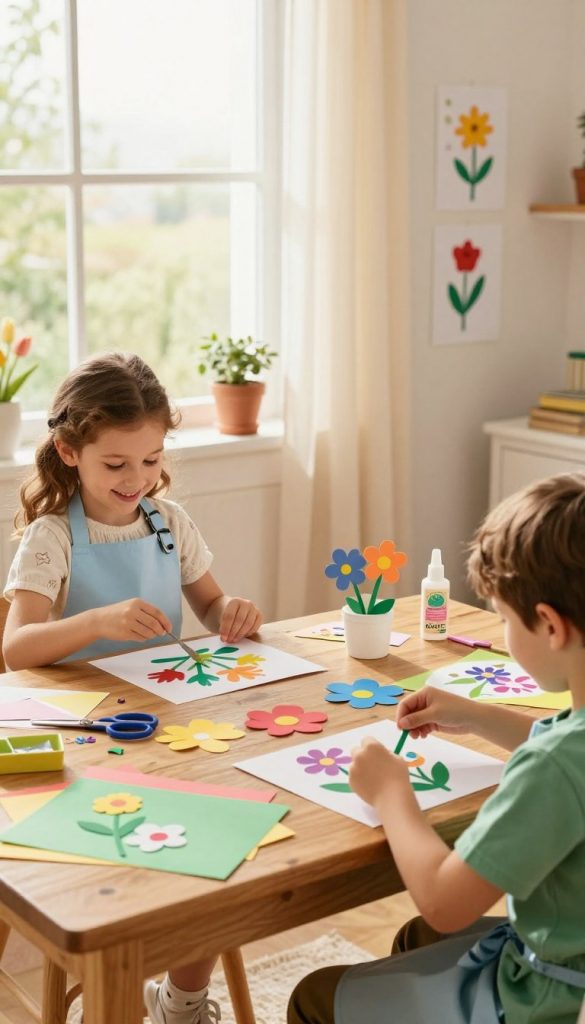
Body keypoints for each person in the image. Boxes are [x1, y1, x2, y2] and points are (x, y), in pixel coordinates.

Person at [2, 351, 263, 1024]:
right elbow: (15, 648)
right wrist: (96, 620)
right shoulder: (49, 536)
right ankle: (121, 988)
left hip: (168, 724)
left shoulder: (168, 521)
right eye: (116, 465)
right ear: (69, 451)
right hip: (86, 738)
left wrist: (229, 610)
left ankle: (180, 1000)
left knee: (218, 844)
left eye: (150, 461)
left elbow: (209, 604)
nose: (137, 480)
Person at [288, 472, 585, 1024]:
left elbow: (445, 904)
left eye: (503, 620)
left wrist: (391, 792)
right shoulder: (570, 748)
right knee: (415, 941)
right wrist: (473, 714)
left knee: (315, 996)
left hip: (541, 1001)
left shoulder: (552, 769)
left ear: (548, 625)